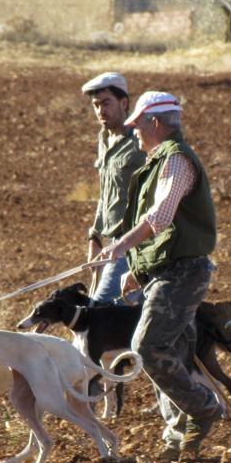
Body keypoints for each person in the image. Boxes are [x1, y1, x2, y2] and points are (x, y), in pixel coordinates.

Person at [95, 91, 225, 461]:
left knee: (148, 348)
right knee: (174, 357)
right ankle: (179, 442)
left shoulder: (177, 161)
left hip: (183, 274)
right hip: (168, 272)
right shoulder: (159, 160)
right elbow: (163, 233)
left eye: (137, 124)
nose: (133, 131)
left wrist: (120, 247)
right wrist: (136, 271)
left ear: (155, 123)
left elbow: (161, 217)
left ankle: (203, 407)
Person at [81, 72, 146, 304]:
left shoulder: (141, 141)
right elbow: (105, 195)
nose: (100, 111)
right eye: (96, 105)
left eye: (106, 103)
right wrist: (94, 237)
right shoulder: (104, 139)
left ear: (124, 102)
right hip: (112, 244)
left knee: (99, 310)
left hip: (135, 242)